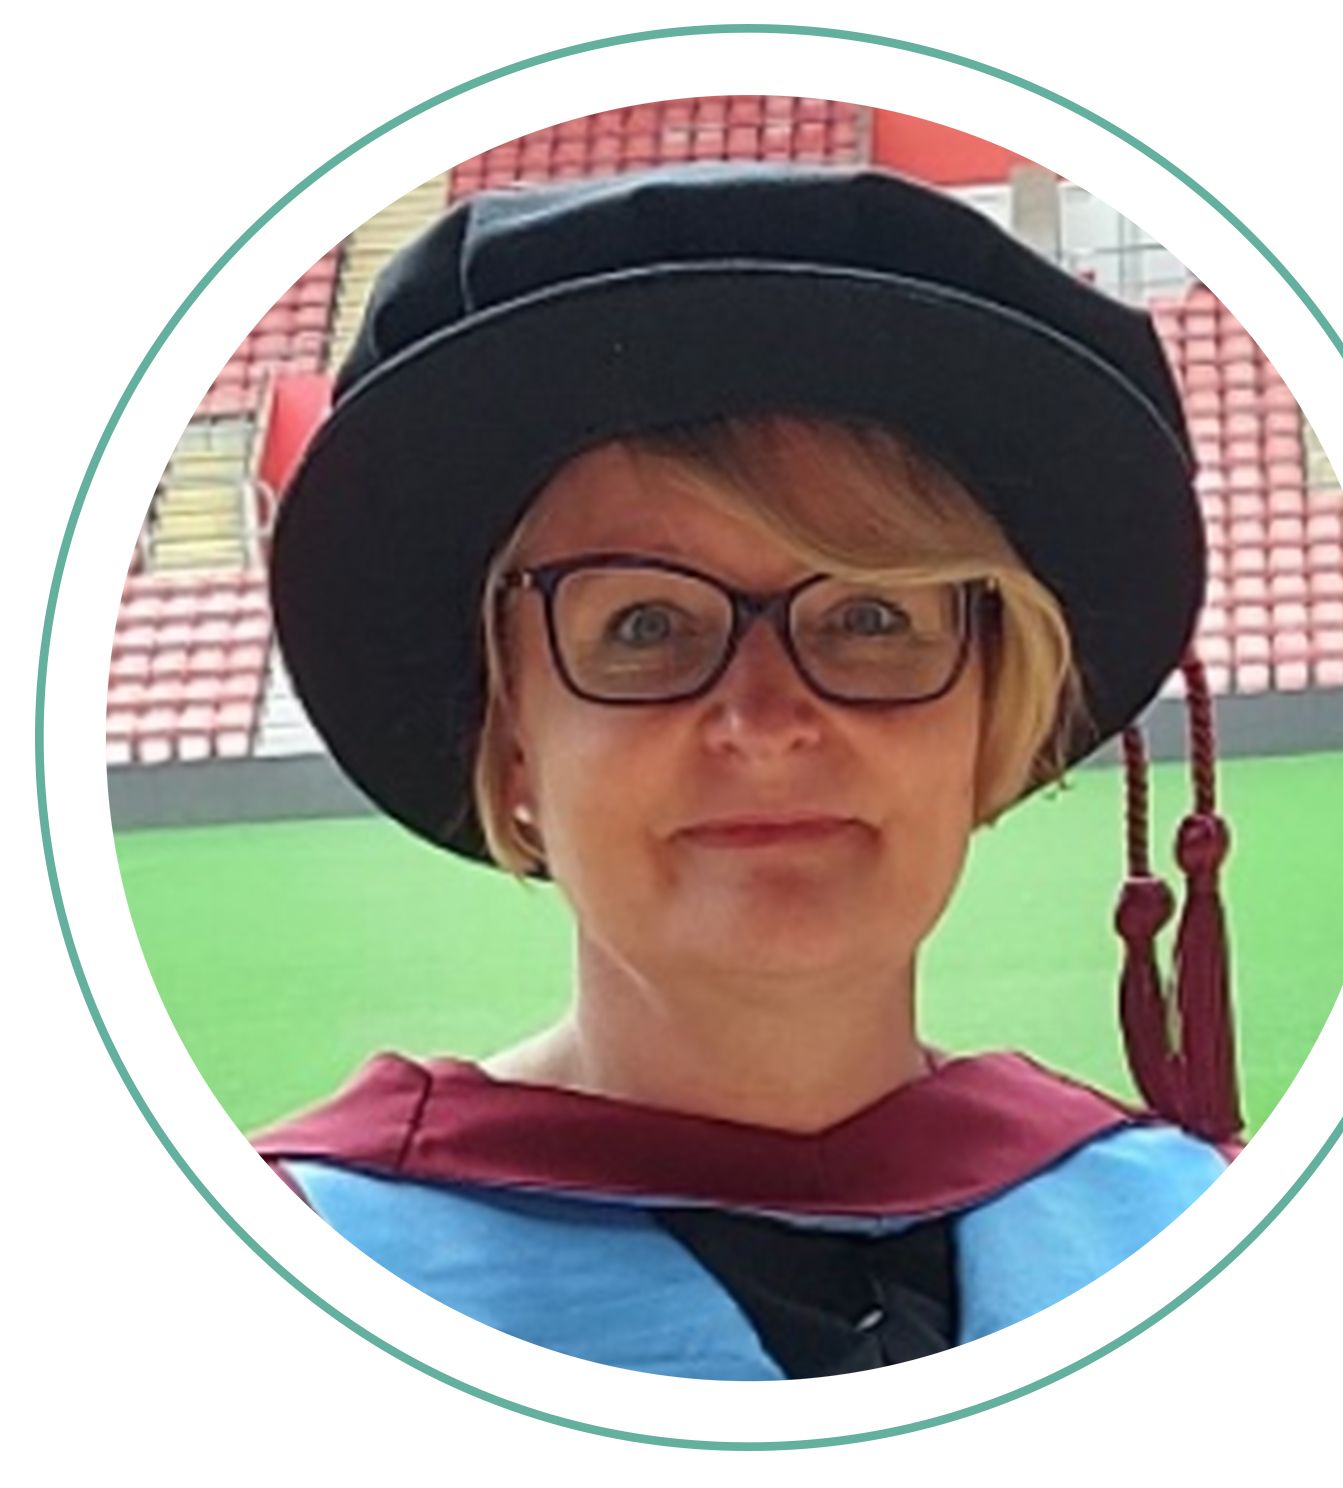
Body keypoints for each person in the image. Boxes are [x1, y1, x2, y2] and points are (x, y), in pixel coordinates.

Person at [255, 160, 1242, 1381]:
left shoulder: (1197, 1237)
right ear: (510, 741)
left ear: (990, 713)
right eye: (645, 626)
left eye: (871, 619)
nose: (766, 721)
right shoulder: (283, 1279)